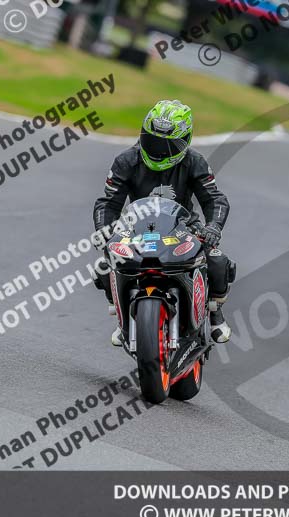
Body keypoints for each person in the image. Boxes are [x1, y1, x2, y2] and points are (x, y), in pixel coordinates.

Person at [93, 100, 234, 345]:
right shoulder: (126, 161)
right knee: (104, 266)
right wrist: (106, 233)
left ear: (185, 140)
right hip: (136, 228)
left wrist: (213, 227)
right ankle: (123, 318)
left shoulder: (194, 161)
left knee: (219, 261)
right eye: (153, 140)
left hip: (183, 228)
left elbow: (215, 199)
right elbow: (108, 203)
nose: (158, 149)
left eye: (167, 144)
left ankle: (214, 310)